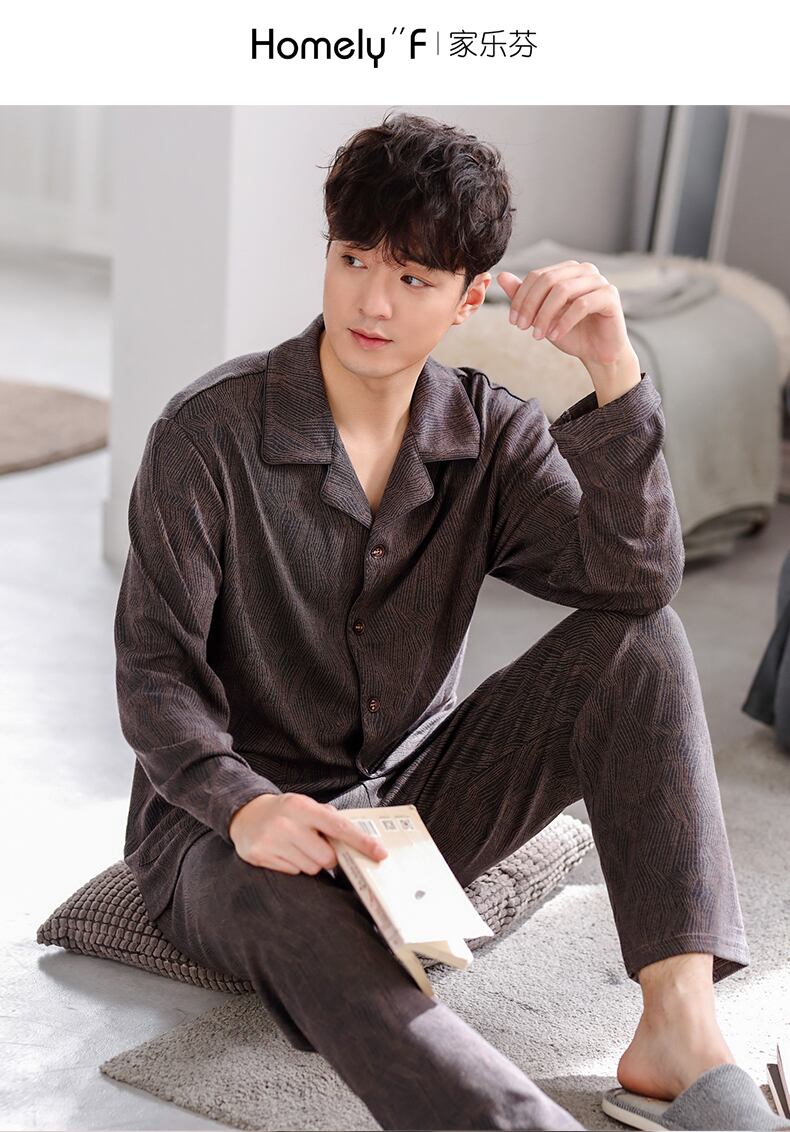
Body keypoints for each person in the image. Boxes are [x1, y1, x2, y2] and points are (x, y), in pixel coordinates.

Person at [114, 111, 752, 1131]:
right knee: (296, 909)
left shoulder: (489, 434)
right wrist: (245, 806)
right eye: (353, 259)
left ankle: (679, 1031)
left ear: (467, 298)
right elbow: (156, 677)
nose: (372, 301)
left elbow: (633, 582)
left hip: (408, 814)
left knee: (641, 640)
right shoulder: (208, 435)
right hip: (226, 835)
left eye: (413, 278)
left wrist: (613, 369)